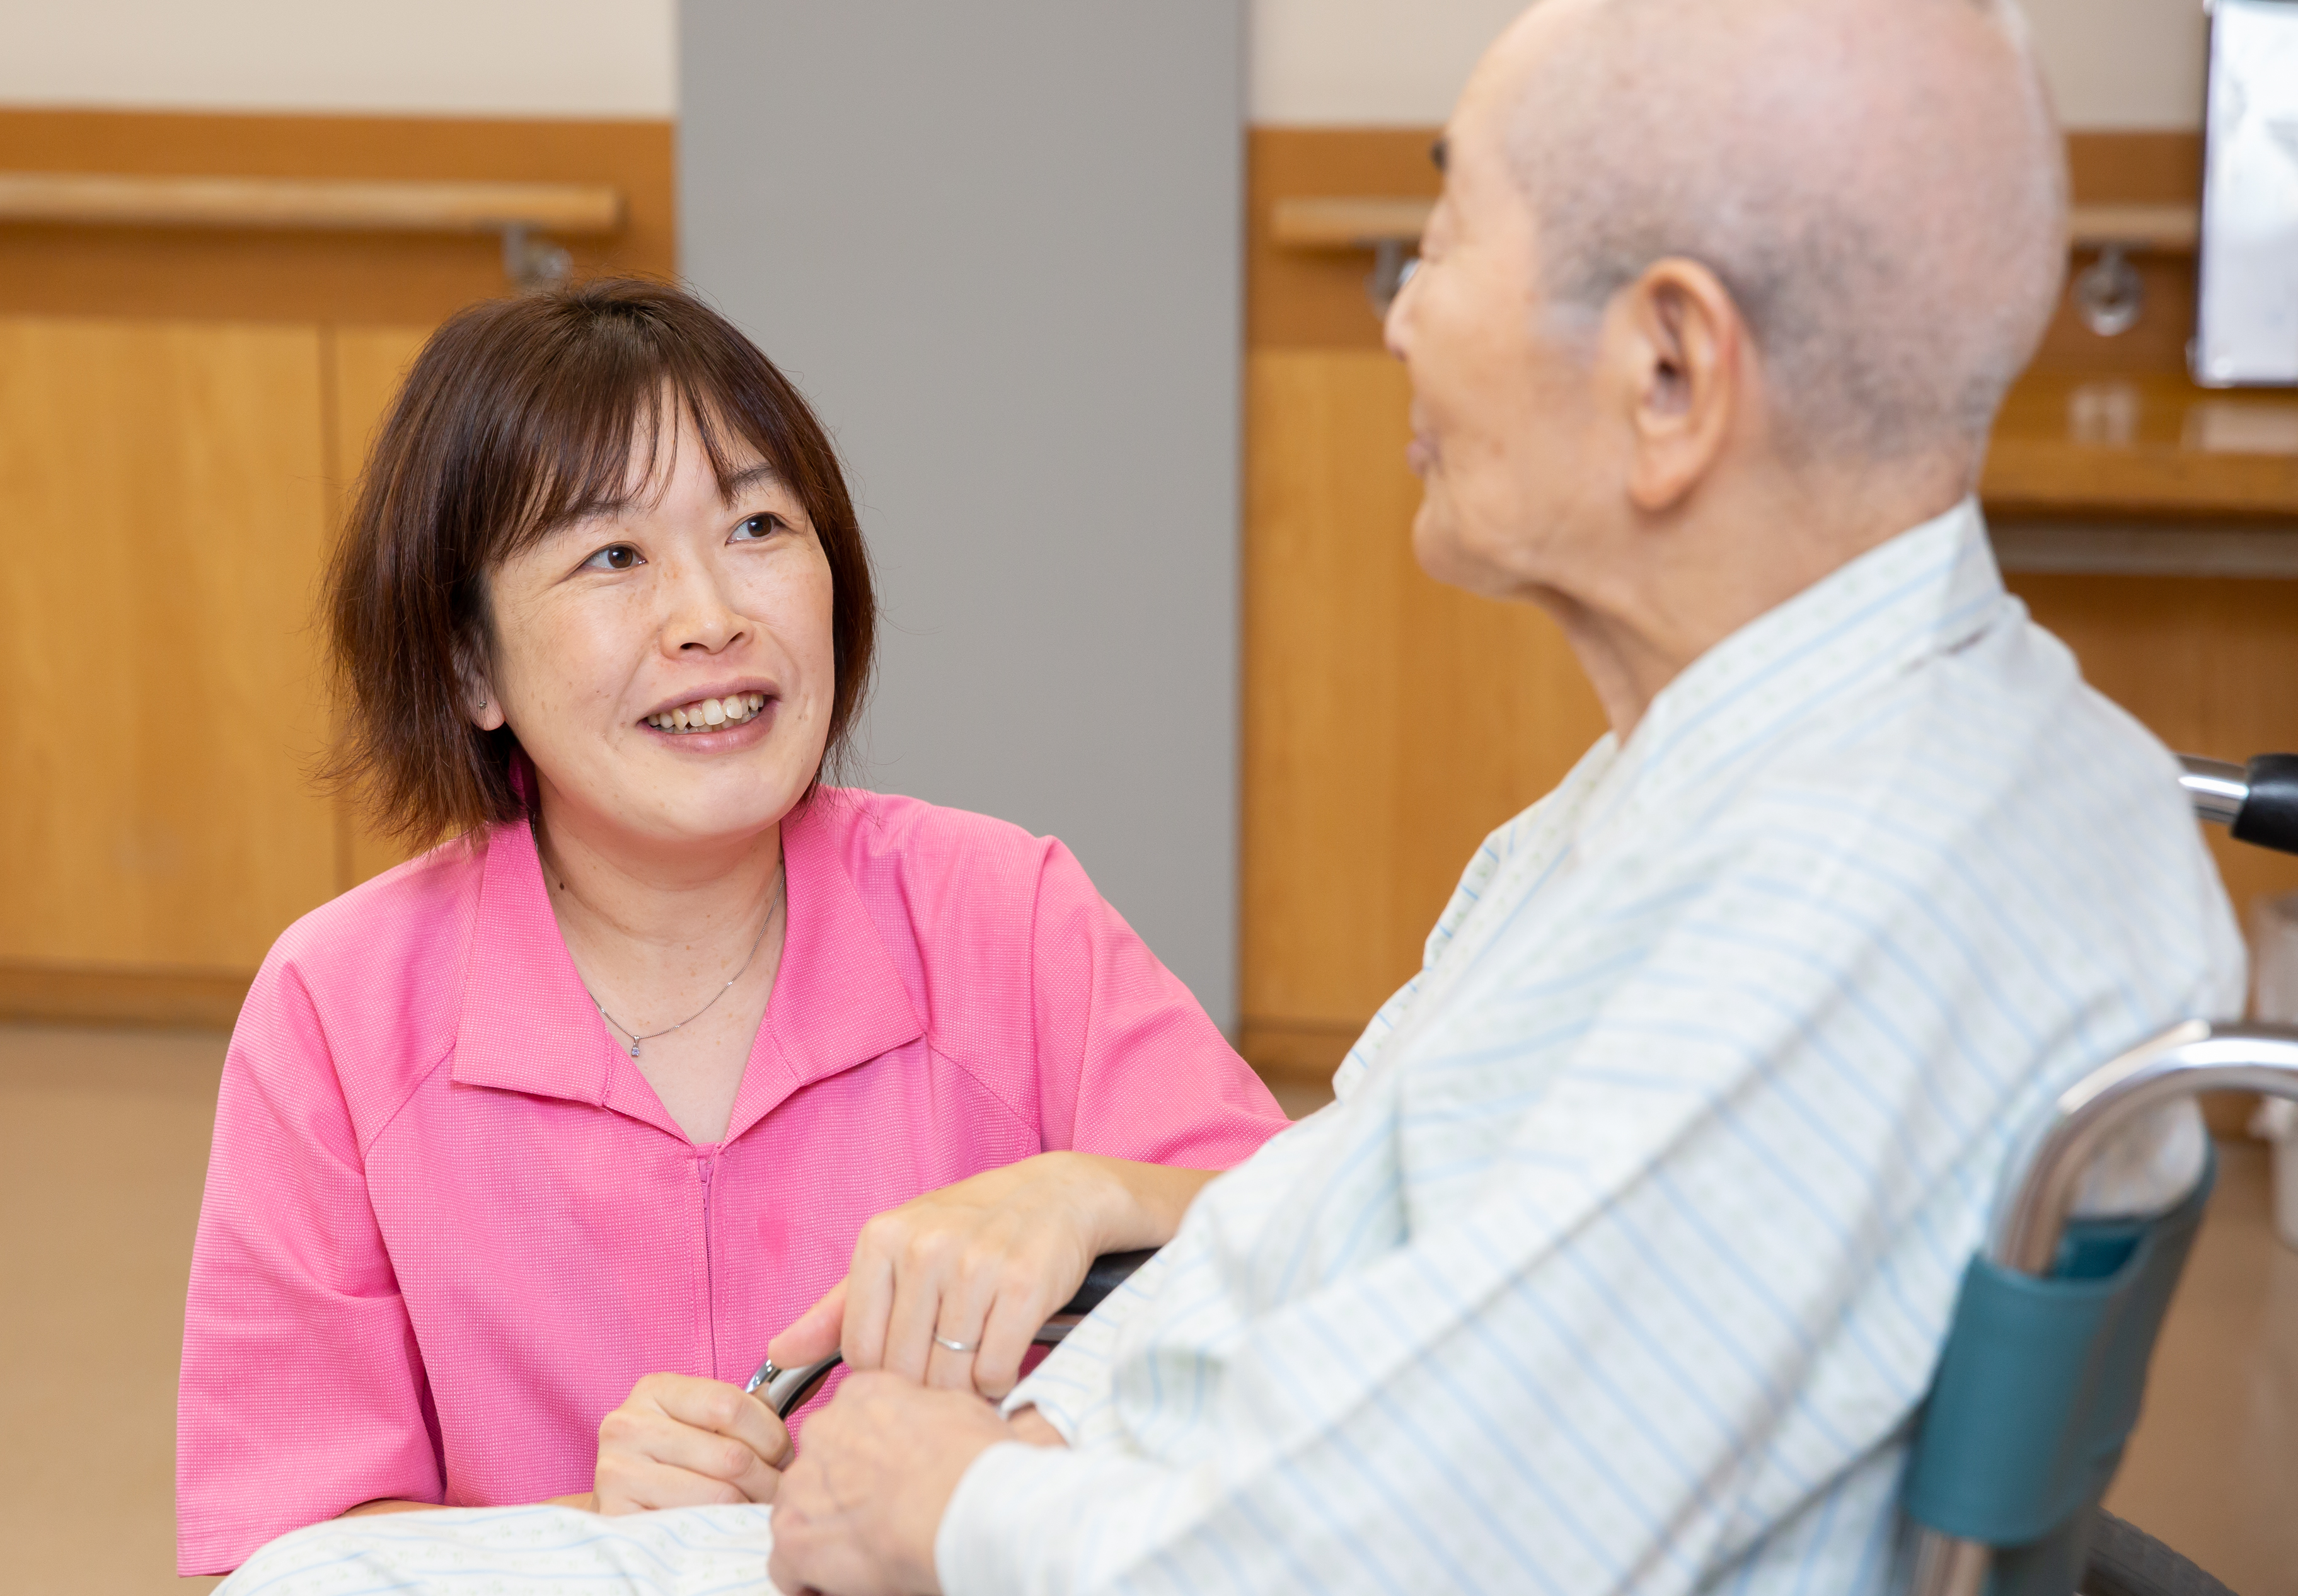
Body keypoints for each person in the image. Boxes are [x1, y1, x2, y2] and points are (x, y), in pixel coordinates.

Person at [212, 0, 2246, 1591]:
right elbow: (1378, 1243)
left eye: (1447, 233)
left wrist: (950, 1499)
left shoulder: (1830, 909)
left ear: (1667, 375)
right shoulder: (1743, 793)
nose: (1395, 312)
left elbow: (1438, 1552)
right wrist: (1098, 1211)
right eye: (608, 560)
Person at [174, 279, 1287, 1576]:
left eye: (758, 523)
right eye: (611, 555)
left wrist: (1090, 1194)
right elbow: (281, 1558)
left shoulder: (1004, 911)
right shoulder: (342, 1008)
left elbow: (1314, 1271)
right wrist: (585, 1532)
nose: (712, 616)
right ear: (469, 664)